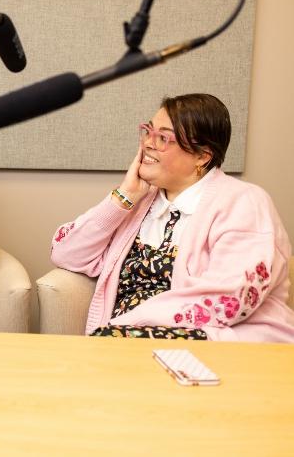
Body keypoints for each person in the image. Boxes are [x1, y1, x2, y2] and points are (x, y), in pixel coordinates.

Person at [50, 93, 294, 342]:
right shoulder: (140, 201)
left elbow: (231, 298)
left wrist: (125, 326)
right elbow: (65, 253)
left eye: (163, 138)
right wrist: (123, 198)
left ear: (202, 156)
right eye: (148, 131)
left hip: (219, 343)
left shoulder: (244, 202)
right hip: (123, 339)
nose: (148, 143)